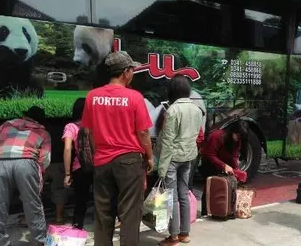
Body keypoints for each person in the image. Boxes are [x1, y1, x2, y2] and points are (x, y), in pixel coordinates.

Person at [81, 51, 154, 246]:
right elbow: (143, 134)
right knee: (130, 214)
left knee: (103, 214)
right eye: (132, 70)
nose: (133, 74)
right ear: (125, 72)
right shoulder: (134, 97)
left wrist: (98, 154)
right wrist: (149, 157)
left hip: (102, 161)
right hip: (129, 161)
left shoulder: (92, 96)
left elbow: (89, 132)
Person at [156, 75, 205, 246]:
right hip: (189, 157)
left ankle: (174, 236)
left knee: (172, 197)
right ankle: (185, 233)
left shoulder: (172, 110)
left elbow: (167, 141)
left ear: (173, 90)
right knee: (184, 194)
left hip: (173, 158)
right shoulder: (197, 109)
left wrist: (161, 168)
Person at [0, 106, 51, 246]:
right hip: (26, 163)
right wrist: (39, 175)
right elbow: (45, 159)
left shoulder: (5, 125)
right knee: (32, 203)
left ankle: (0, 241)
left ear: (25, 115)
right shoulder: (43, 132)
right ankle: (40, 241)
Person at [199, 121, 249, 216]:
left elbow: (234, 156)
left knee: (225, 187)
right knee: (209, 188)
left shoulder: (237, 140)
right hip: (209, 163)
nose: (238, 138)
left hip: (222, 162)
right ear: (232, 131)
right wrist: (223, 165)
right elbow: (209, 154)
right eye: (237, 136)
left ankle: (223, 210)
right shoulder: (217, 136)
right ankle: (206, 212)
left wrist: (236, 170)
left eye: (240, 137)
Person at [62, 97, 94, 229]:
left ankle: (77, 227)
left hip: (80, 168)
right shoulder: (95, 125)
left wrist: (67, 173)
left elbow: (68, 148)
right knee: (103, 198)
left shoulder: (71, 127)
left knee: (81, 200)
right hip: (99, 165)